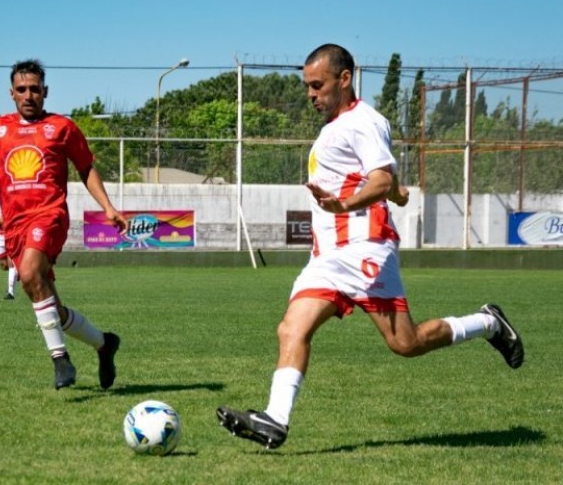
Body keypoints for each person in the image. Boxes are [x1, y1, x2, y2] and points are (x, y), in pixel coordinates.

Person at [216, 44, 524, 449]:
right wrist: (395, 194)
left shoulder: (364, 121)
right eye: (307, 86)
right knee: (291, 328)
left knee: (405, 343)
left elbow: (378, 179)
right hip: (327, 257)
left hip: (365, 250)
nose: (311, 94)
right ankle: (275, 419)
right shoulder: (336, 127)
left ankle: (487, 324)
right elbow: (385, 182)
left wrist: (353, 201)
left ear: (344, 79)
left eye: (318, 85)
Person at [0, 59, 128, 390]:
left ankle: (60, 360)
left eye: (35, 89)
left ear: (45, 92)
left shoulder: (62, 127)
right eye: (22, 89)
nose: (29, 95)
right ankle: (105, 344)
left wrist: (108, 207)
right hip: (15, 226)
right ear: (11, 93)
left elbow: (86, 167)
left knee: (32, 274)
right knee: (51, 306)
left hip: (49, 215)